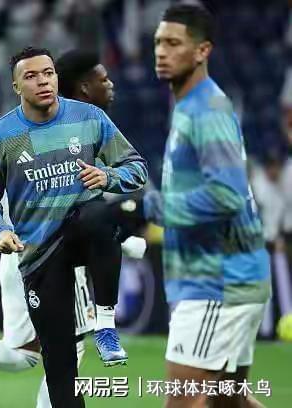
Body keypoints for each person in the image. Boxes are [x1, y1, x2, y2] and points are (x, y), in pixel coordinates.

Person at [0, 48, 147, 407]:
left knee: (38, 353)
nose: (43, 81)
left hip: (68, 246)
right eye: (31, 76)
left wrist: (108, 178)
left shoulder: (89, 119)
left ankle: (104, 325)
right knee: (52, 358)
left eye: (48, 73)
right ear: (16, 85)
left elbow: (135, 170)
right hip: (29, 254)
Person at [115, 5, 270, 408]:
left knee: (183, 402)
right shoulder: (189, 106)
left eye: (173, 43)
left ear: (202, 51)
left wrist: (147, 208)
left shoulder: (207, 111)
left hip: (216, 281)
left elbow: (227, 196)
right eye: (158, 43)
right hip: (225, 276)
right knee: (227, 401)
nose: (161, 52)